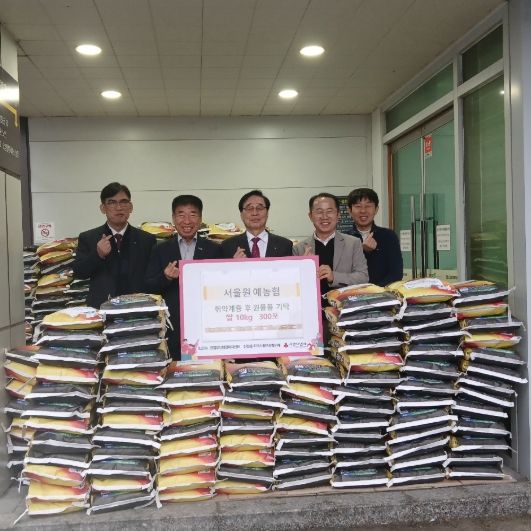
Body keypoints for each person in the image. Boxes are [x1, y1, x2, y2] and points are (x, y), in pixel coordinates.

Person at [145, 195, 222, 359]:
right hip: (172, 325)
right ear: (173, 218)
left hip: (206, 324)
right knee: (175, 369)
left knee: (205, 369)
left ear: (200, 219)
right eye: (181, 215)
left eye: (193, 214)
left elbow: (222, 287)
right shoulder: (160, 249)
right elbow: (148, 287)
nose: (187, 221)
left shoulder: (214, 249)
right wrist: (166, 277)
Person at [73, 182, 156, 309]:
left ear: (131, 207)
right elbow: (79, 272)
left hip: (138, 308)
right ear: (103, 208)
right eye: (112, 202)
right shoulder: (88, 237)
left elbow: (152, 276)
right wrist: (98, 255)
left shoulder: (147, 239)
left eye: (124, 202)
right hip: (101, 308)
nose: (119, 207)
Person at [293, 193, 368, 296]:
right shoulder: (299, 248)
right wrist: (303, 267)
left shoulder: (353, 243)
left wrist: (334, 276)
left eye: (329, 211)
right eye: (319, 212)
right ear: (310, 216)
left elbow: (363, 277)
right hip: (312, 304)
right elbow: (292, 285)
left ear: (338, 215)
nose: (324, 217)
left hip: (343, 304)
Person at [347, 187, 403, 286]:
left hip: (382, 293)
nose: (363, 210)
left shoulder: (389, 236)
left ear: (376, 209)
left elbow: (396, 274)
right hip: (352, 293)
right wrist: (363, 251)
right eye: (358, 206)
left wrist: (375, 291)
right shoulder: (343, 239)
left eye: (368, 206)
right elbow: (342, 273)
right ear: (350, 211)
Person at [221, 190, 293, 258]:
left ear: (267, 213)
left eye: (260, 208)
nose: (255, 213)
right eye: (249, 208)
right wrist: (233, 264)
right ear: (241, 215)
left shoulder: (285, 245)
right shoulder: (227, 246)